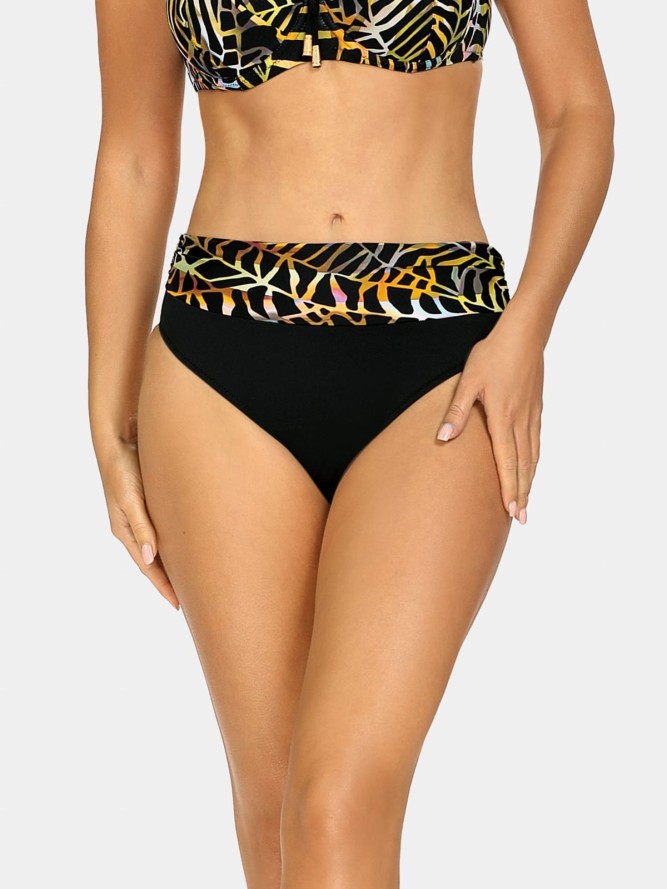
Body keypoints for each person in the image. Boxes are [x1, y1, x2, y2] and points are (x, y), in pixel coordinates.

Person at [85, 0, 614, 884]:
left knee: (335, 802)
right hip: (218, 363)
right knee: (272, 807)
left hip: (443, 360)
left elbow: (578, 113)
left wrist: (526, 329)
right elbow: (134, 153)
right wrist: (107, 419)